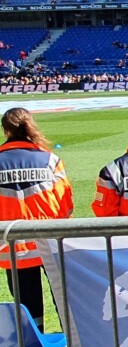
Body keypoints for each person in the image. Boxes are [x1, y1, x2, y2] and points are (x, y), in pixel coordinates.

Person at [0, 107, 74, 327]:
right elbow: (66, 206)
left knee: (30, 314)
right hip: (49, 245)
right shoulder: (50, 159)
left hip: (11, 248)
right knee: (65, 308)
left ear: (6, 131)